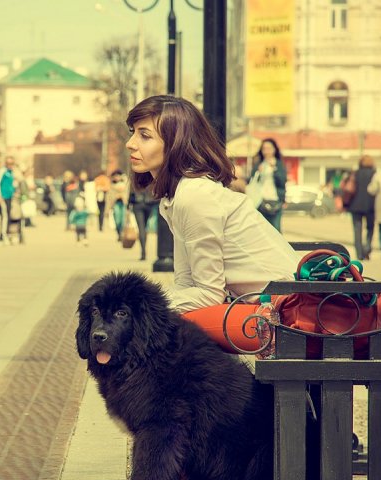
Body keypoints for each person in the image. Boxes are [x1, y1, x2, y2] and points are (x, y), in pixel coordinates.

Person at [125, 95, 297, 352]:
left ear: (175, 143)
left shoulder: (195, 196)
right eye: (133, 133)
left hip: (291, 315)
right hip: (265, 308)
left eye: (144, 135)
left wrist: (139, 306)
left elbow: (208, 293)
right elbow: (186, 283)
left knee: (164, 328)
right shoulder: (177, 197)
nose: (130, 144)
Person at [248, 138, 288, 231]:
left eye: (269, 148)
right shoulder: (259, 164)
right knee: (262, 230)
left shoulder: (279, 164)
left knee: (276, 230)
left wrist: (274, 168)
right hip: (259, 201)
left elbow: (282, 182)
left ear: (274, 150)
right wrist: (258, 172)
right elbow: (252, 181)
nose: (266, 151)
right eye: (264, 148)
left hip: (275, 200)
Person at [347, 155, 377, 260]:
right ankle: (367, 248)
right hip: (370, 206)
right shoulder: (375, 174)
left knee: (357, 231)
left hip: (355, 206)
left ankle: (359, 254)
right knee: (370, 228)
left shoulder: (355, 173)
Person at [0, 156, 20, 243]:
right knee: (5, 217)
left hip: (9, 197)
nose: (10, 165)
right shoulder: (2, 171)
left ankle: (6, 233)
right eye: (8, 163)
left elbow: (12, 184)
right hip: (3, 197)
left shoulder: (11, 172)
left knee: (9, 216)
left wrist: (15, 192)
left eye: (12, 163)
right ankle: (3, 235)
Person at [107, 170, 129, 240]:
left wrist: (123, 197)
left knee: (123, 219)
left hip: (123, 203)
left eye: (118, 175)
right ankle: (118, 233)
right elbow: (109, 196)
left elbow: (127, 193)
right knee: (117, 219)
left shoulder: (125, 183)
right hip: (115, 203)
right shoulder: (111, 185)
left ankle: (121, 233)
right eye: (115, 176)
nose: (117, 177)